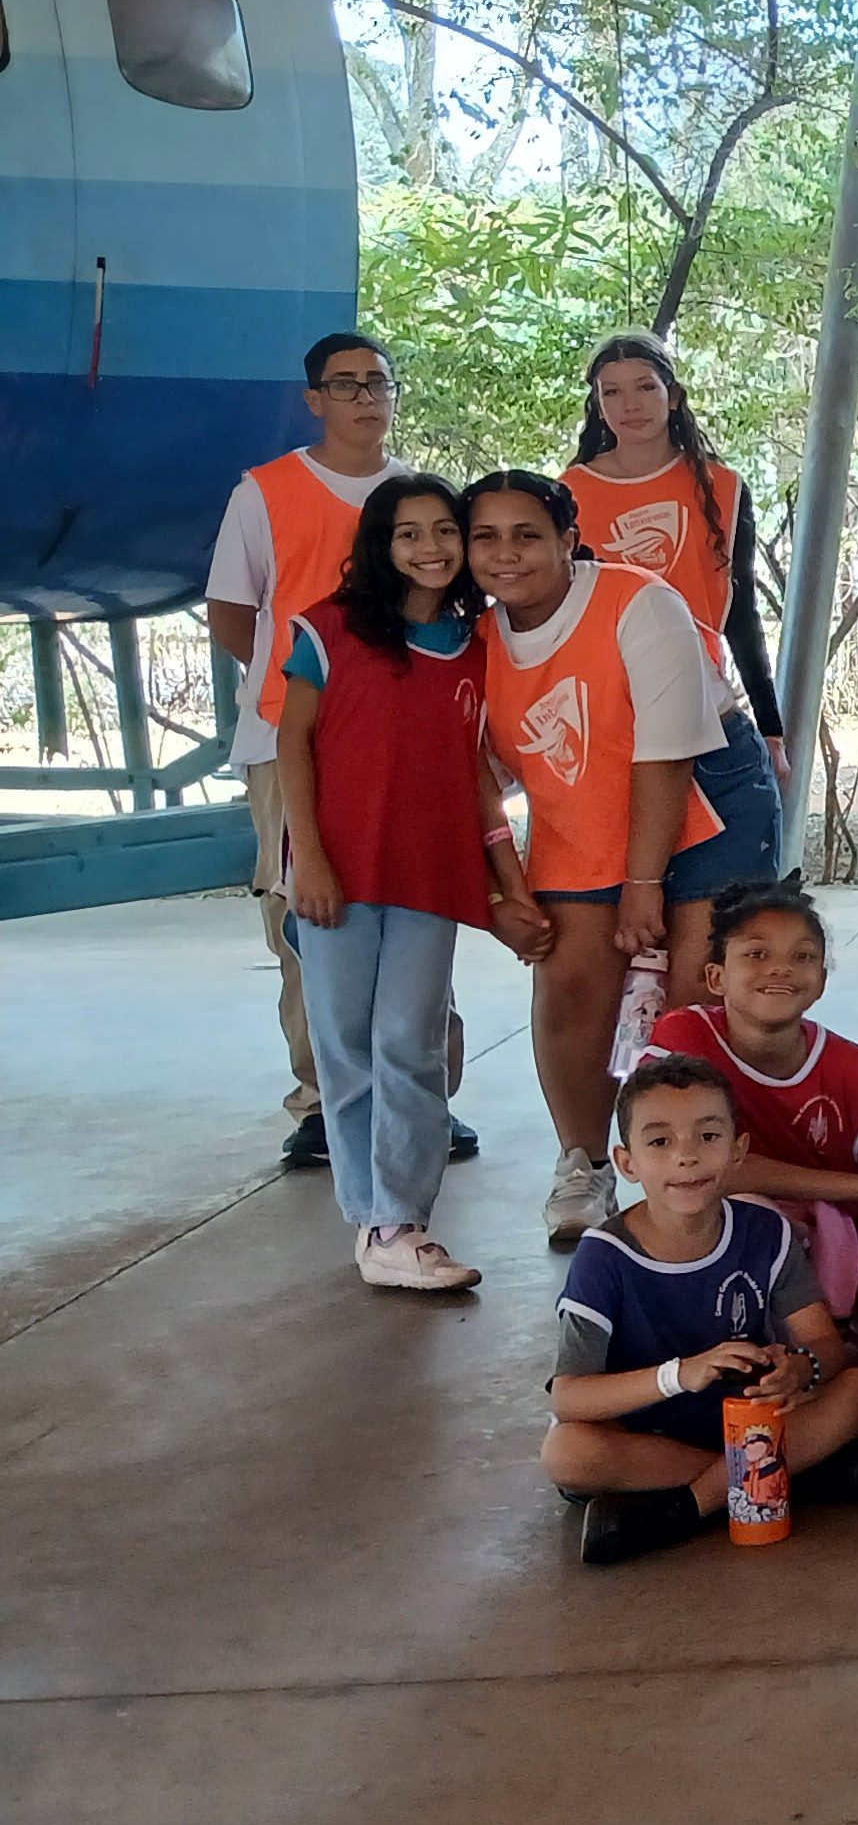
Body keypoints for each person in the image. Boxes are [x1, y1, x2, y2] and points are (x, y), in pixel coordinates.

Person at [272, 470, 533, 1294]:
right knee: (346, 1047)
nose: (430, 547)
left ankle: (402, 1219)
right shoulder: (329, 630)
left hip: (429, 874)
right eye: (409, 533)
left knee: (410, 1045)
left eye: (444, 530)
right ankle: (376, 1221)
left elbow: (479, 775)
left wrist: (510, 883)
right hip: (337, 874)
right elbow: (292, 746)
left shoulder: (478, 644)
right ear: (381, 545)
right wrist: (309, 860)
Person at [463, 469, 725, 1247]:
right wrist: (501, 895)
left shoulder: (638, 601)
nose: (506, 554)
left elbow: (666, 756)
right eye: (486, 537)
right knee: (570, 981)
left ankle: (700, 1169)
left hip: (698, 796)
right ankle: (583, 1164)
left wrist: (642, 885)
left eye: (527, 535)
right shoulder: (475, 642)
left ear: (568, 541)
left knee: (690, 996)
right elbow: (476, 781)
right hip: (576, 816)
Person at [544, 1052, 858, 1566]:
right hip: (645, 1438)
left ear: (738, 1150)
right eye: (660, 1142)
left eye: (708, 1136)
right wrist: (680, 1375)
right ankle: (788, 1477)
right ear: (626, 1163)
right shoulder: (603, 1256)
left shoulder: (765, 1232)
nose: (686, 1156)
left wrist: (801, 1368)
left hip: (750, 1421)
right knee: (567, 1452)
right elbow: (569, 1397)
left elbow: (825, 1345)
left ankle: (686, 1507)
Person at [208, 330, 419, 1171]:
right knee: (303, 917)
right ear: (314, 400)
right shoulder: (264, 493)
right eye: (346, 384)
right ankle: (323, 1100)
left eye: (378, 382)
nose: (365, 397)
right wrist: (301, 692)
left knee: (412, 912)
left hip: (396, 742)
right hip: (283, 737)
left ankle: (419, 1094)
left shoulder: (414, 493)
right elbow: (234, 616)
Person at [647, 882, 858, 1377]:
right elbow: (714, 1170)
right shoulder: (684, 1038)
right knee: (750, 1216)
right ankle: (788, 1357)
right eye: (757, 954)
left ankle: (836, 1347)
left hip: (839, 1247)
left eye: (802, 956)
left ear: (821, 980)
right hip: (727, 1240)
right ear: (716, 977)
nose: (780, 969)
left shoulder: (853, 1067)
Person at [562, 335, 785, 969]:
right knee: (628, 931)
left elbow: (739, 612)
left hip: (705, 712)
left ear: (674, 395)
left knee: (714, 927)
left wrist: (771, 727)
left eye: (644, 387)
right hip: (613, 717)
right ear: (597, 404)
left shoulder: (722, 486)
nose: (629, 404)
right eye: (612, 392)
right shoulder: (571, 490)